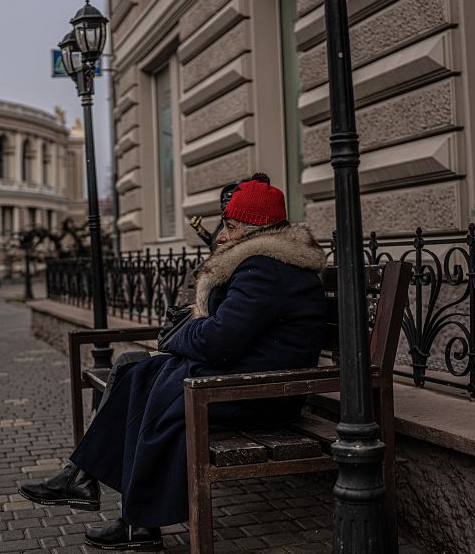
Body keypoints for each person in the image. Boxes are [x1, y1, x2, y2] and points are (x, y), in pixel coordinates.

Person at [18, 173, 328, 551]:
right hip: (247, 378)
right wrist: (198, 327)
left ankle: (136, 521)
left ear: (252, 228)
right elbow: (219, 335)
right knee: (140, 373)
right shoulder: (265, 265)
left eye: (230, 226)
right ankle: (83, 478)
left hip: (266, 392)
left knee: (163, 395)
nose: (222, 236)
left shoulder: (264, 268)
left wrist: (183, 332)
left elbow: (216, 342)